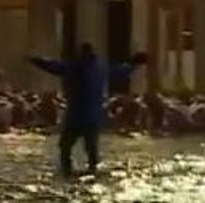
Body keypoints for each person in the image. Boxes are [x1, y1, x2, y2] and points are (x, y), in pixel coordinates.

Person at [30, 44, 145, 176]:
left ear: (81, 53)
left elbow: (53, 66)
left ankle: (67, 169)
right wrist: (134, 64)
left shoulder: (74, 68)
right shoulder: (101, 69)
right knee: (91, 148)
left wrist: (36, 60)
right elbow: (120, 71)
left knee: (65, 145)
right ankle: (92, 169)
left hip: (76, 115)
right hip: (92, 116)